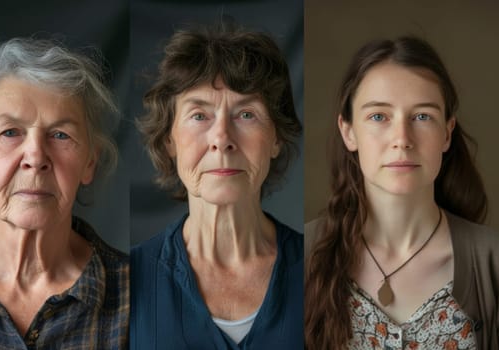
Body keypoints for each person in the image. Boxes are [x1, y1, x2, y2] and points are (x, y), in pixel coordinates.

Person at [304, 36, 499, 349]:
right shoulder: (299, 257)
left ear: (447, 133)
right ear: (349, 131)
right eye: (379, 116)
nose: (402, 139)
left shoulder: (492, 262)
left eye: (422, 116)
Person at [0, 38, 129, 348]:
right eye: (10, 132)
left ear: (89, 162)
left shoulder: (138, 294)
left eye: (60, 135)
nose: (36, 157)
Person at [130, 25, 303, 349]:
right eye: (199, 116)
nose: (222, 139)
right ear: (169, 140)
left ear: (277, 137)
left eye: (246, 114)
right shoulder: (129, 278)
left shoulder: (317, 269)